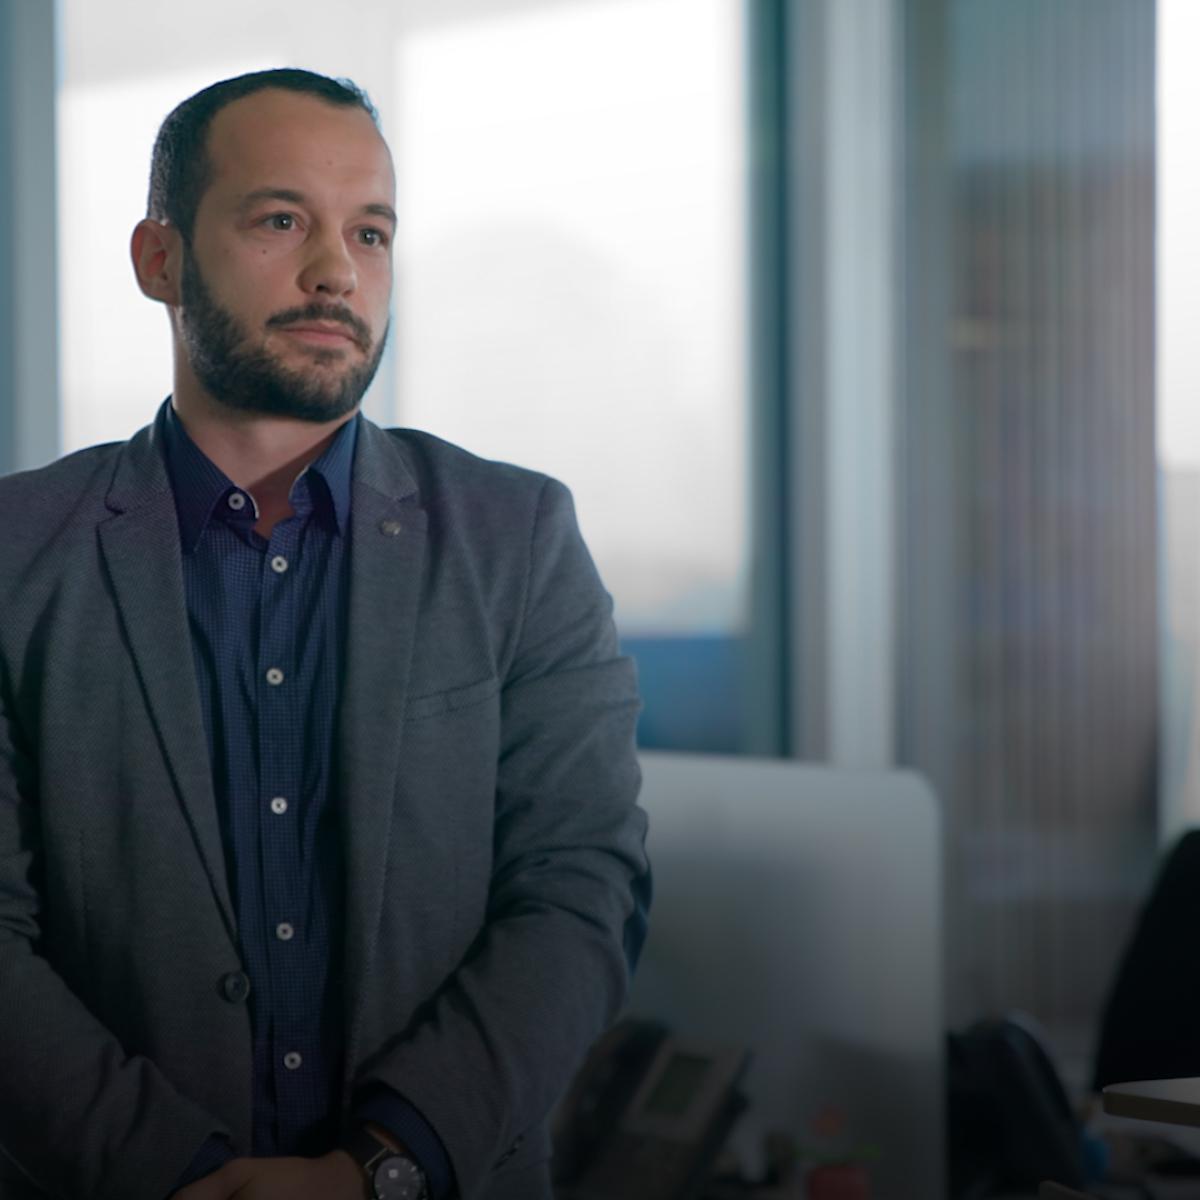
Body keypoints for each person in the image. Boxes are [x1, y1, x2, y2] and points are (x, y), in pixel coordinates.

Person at [0, 68, 650, 1200]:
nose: (336, 271)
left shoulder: (517, 538)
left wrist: (385, 1167)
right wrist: (174, 1175)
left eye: (370, 232)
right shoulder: (17, 552)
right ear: (159, 260)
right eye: (281, 221)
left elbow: (578, 891)